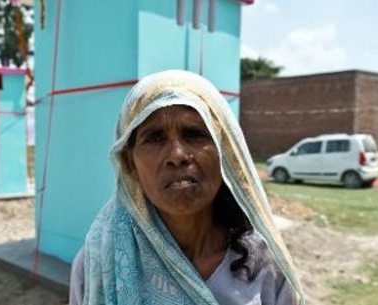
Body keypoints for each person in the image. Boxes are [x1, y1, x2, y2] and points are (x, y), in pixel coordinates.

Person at [69, 70, 305, 305]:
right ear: (130, 163)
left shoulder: (265, 266)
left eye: (195, 134)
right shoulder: (99, 263)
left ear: (225, 154)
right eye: (154, 138)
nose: (177, 155)